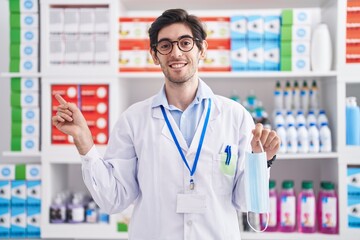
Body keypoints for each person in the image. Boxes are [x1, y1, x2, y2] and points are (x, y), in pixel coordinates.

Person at [52, 8, 280, 240]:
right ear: (154, 55)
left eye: (185, 43)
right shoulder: (134, 120)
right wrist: (85, 143)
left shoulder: (235, 115)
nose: (176, 52)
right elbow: (114, 200)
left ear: (202, 50)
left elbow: (244, 201)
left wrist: (262, 161)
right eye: (165, 46)